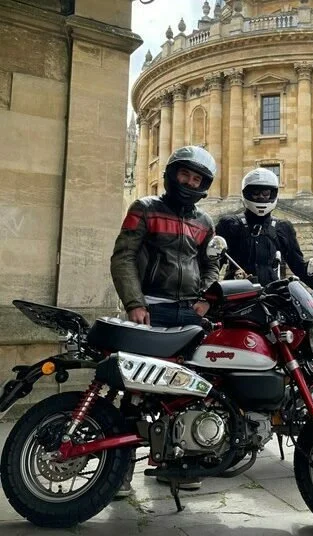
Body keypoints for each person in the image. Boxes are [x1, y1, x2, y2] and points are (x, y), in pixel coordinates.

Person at [110, 145, 220, 497]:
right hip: (151, 308)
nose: (190, 182)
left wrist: (205, 298)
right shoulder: (144, 208)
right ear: (172, 175)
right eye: (185, 174)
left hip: (189, 313)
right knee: (135, 393)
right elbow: (123, 257)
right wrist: (134, 303)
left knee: (187, 392)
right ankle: (119, 473)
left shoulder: (205, 223)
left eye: (197, 178)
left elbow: (211, 264)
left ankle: (176, 465)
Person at [215, 168, 313, 289]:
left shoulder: (283, 227)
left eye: (265, 193)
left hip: (272, 294)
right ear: (247, 193)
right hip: (237, 292)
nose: (261, 197)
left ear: (273, 194)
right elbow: (214, 263)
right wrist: (204, 289)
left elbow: (298, 265)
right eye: (256, 193)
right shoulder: (229, 224)